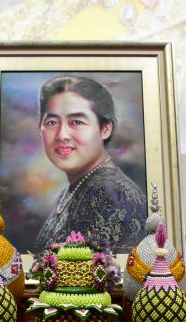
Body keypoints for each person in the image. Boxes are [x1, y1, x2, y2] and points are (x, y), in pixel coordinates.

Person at [33, 76, 147, 254]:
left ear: (105, 129)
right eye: (52, 122)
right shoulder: (77, 187)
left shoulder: (112, 194)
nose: (62, 135)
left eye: (77, 122)